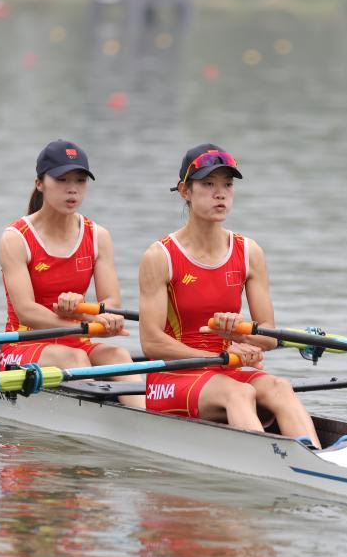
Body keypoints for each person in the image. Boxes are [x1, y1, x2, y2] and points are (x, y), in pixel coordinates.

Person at [137, 143, 321, 446]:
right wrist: (218, 357)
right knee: (240, 392)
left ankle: (315, 459)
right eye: (208, 184)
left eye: (227, 184)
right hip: (172, 377)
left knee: (279, 387)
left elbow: (269, 336)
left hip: (225, 368)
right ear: (185, 191)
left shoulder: (249, 252)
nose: (220, 193)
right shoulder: (160, 256)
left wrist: (240, 333)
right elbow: (152, 343)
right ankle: (267, 464)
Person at [0, 139, 145, 408]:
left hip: (79, 342)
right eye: (62, 180)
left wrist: (97, 316)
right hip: (22, 346)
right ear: (40, 183)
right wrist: (84, 322)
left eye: (80, 180)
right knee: (75, 360)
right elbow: (26, 311)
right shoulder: (16, 238)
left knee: (120, 355)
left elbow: (111, 302)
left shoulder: (98, 236)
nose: (72, 189)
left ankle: (147, 427)